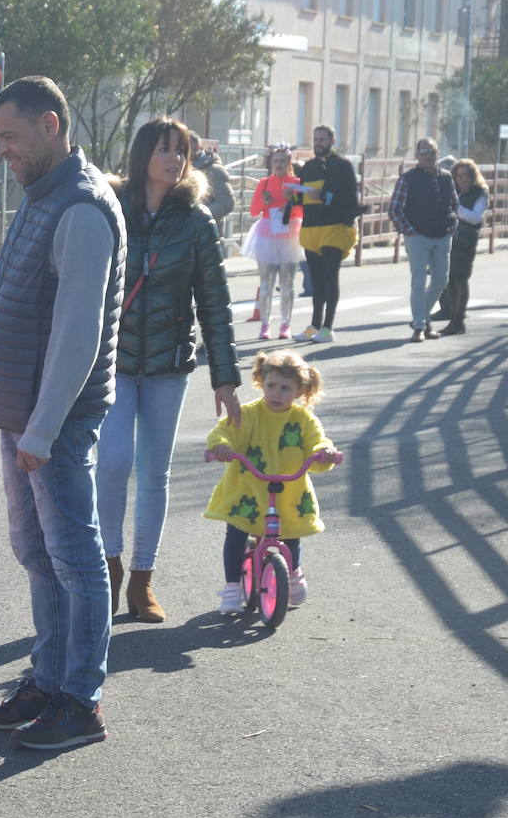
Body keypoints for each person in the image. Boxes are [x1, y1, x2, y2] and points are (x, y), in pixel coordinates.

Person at [0, 76, 124, 750]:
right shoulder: (43, 195)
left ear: (51, 125)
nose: (0, 149)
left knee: (75, 559)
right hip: (25, 416)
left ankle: (79, 701)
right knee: (38, 551)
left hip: (51, 423)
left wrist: (42, 426)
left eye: (10, 136)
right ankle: (48, 678)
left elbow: (78, 331)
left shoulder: (82, 208)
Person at [98, 116, 241, 623]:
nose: (174, 159)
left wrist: (224, 378)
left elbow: (215, 304)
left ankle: (142, 580)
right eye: (163, 149)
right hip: (113, 362)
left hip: (167, 365)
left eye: (180, 150)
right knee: (113, 462)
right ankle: (108, 570)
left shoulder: (197, 221)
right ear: (143, 156)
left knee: (154, 473)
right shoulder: (110, 208)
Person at [204, 351, 341, 613]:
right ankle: (232, 585)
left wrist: (325, 452)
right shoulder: (247, 414)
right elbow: (225, 430)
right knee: (236, 532)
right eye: (272, 386)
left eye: (286, 388)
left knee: (290, 533)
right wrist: (221, 446)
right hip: (248, 488)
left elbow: (317, 441)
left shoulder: (303, 420)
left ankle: (292, 573)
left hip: (288, 490)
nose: (277, 393)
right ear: (261, 382)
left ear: (300, 390)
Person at [292, 125, 360, 344]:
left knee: (331, 277)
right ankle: (314, 325)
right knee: (315, 279)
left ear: (332, 140)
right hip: (311, 228)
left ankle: (328, 327)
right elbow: (302, 198)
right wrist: (290, 197)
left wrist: (325, 195)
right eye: (315, 139)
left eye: (322, 139)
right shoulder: (309, 167)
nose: (318, 143)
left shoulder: (343, 166)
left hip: (335, 228)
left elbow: (350, 199)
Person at [388, 138, 458, 343]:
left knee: (441, 280)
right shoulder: (408, 179)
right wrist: (409, 231)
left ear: (438, 153)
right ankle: (420, 326)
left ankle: (422, 317)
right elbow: (394, 209)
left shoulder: (446, 177)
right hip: (417, 236)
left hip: (442, 235)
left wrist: (452, 226)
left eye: (432, 150)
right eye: (424, 151)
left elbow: (454, 203)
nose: (428, 154)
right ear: (417, 155)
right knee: (418, 283)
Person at [244, 144, 305, 339]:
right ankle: (265, 325)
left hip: (290, 234)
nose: (279, 164)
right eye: (276, 161)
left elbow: (303, 211)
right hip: (268, 235)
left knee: (288, 283)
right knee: (266, 284)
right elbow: (254, 210)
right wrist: (266, 202)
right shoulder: (264, 183)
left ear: (289, 163)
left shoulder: (296, 182)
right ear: (271, 162)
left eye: (283, 161)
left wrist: (293, 199)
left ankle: (285, 325)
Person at [439, 159, 489, 336]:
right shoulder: (455, 191)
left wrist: (455, 207)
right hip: (450, 237)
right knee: (450, 278)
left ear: (472, 175)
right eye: (458, 176)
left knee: (460, 278)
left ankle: (459, 319)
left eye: (465, 175)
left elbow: (476, 217)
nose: (462, 179)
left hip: (466, 239)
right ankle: (454, 318)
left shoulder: (480, 193)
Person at [189, 131, 235, 232]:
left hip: (208, 234)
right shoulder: (178, 169)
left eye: (188, 145)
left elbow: (226, 204)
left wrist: (195, 216)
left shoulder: (214, 170)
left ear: (197, 146)